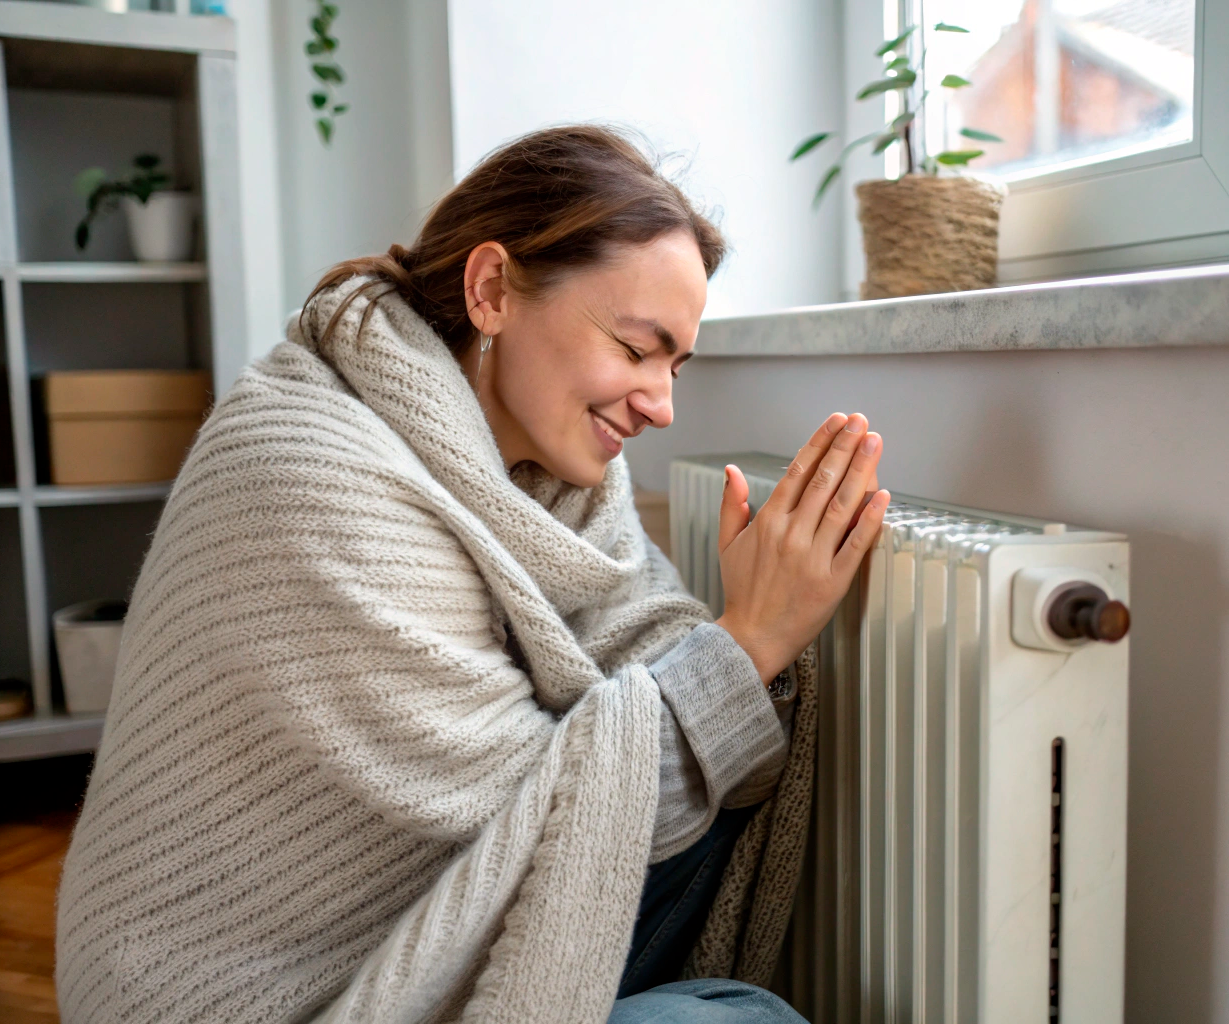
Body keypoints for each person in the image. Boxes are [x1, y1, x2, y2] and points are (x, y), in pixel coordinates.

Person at [55, 125, 887, 1024]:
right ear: (492, 291)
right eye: (637, 348)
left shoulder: (557, 483)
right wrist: (752, 637)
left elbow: (629, 692)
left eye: (676, 364)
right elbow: (532, 810)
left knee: (733, 1004)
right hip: (270, 998)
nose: (662, 403)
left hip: (412, 932)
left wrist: (732, 649)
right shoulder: (310, 466)